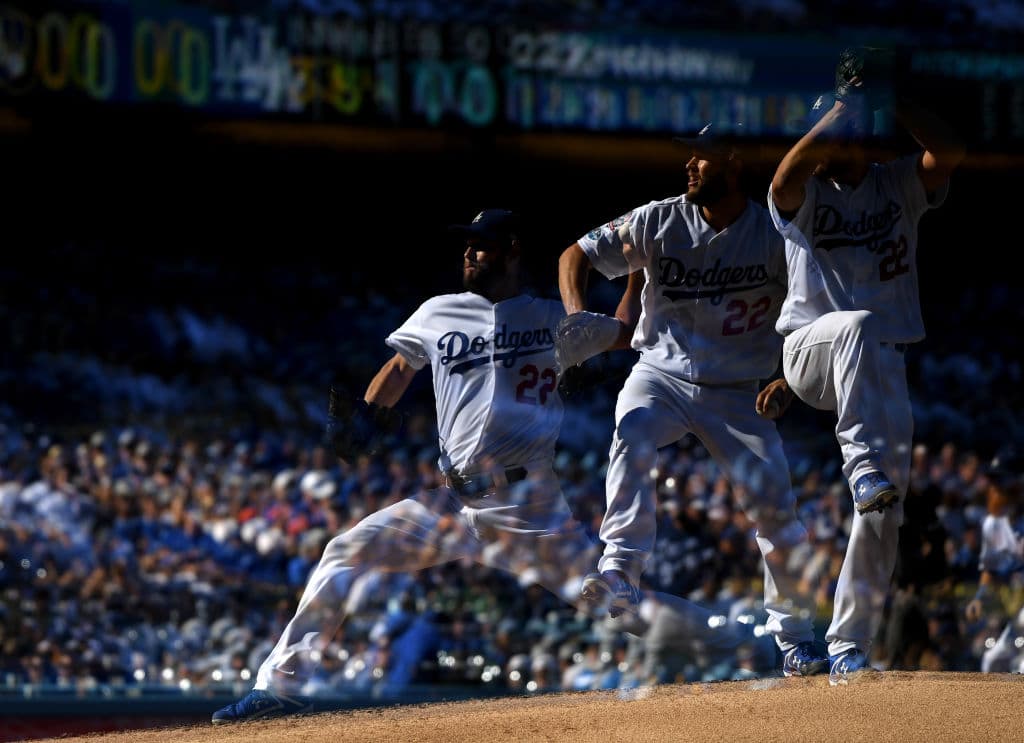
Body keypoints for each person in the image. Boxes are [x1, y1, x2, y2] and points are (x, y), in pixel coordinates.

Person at [211, 208, 771, 724]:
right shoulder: (437, 311)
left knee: (613, 605)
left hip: (528, 507)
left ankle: (752, 644)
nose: (469, 255)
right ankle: (279, 689)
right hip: (452, 502)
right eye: (466, 247)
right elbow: (402, 366)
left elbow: (625, 335)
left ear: (509, 250)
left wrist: (636, 275)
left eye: (481, 246)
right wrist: (369, 413)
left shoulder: (552, 317)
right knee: (344, 550)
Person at [556, 123, 827, 679]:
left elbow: (811, 312)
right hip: (660, 374)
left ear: (732, 162)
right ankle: (620, 573)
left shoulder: (775, 235)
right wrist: (576, 316)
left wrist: (791, 378)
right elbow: (574, 254)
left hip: (736, 393)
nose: (689, 167)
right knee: (631, 429)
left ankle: (796, 638)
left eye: (701, 158)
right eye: (689, 159)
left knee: (776, 510)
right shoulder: (658, 218)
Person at [764, 46, 966, 684]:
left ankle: (847, 648)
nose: (846, 138)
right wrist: (840, 112)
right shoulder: (805, 194)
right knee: (855, 325)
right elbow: (780, 183)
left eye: (853, 126)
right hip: (809, 351)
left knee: (885, 512)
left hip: (879, 368)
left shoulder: (895, 181)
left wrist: (892, 98)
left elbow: (950, 152)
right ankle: (860, 465)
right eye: (835, 129)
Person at [964, 446, 1024, 673]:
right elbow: (989, 568)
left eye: (1001, 481)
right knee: (992, 661)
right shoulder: (993, 524)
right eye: (994, 482)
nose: (994, 488)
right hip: (1016, 611)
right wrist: (979, 597)